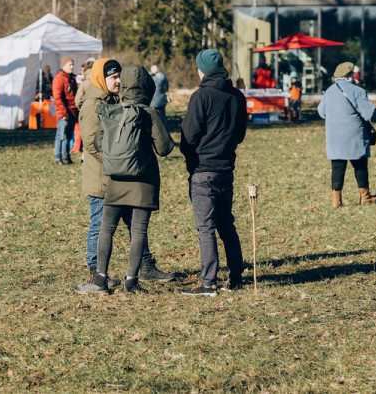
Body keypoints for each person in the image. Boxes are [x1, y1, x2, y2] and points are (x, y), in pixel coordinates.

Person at [74, 59, 174, 294]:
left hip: (114, 180)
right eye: (113, 77)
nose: (117, 81)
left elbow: (99, 140)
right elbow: (165, 147)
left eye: (120, 77)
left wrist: (116, 160)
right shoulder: (144, 112)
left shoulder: (111, 108)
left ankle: (101, 278)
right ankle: (129, 281)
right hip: (132, 180)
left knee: (107, 228)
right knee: (130, 229)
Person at [180, 49, 247, 296]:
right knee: (226, 224)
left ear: (202, 70)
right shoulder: (237, 96)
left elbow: (189, 135)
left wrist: (190, 158)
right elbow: (240, 134)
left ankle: (208, 283)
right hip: (226, 169)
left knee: (206, 227)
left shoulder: (201, 96)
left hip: (202, 171)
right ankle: (236, 277)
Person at [318, 62, 376, 207]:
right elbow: (370, 112)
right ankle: (365, 197)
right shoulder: (357, 91)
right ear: (350, 76)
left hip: (334, 137)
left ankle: (336, 201)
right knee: (360, 165)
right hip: (354, 135)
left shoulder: (329, 91)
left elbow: (321, 112)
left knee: (337, 167)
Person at [52, 56, 77, 165]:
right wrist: (64, 113)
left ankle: (66, 157)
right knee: (61, 136)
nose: (72, 67)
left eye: (73, 64)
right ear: (64, 66)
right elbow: (57, 98)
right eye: (70, 65)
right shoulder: (59, 79)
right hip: (64, 113)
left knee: (69, 136)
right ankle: (58, 157)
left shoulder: (71, 79)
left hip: (72, 112)